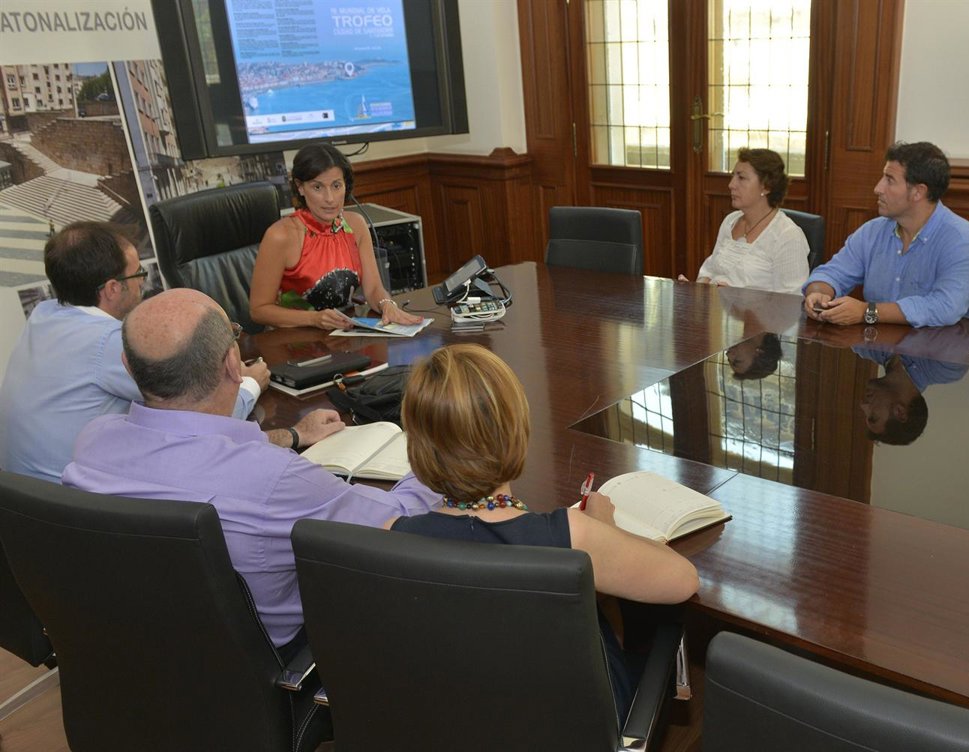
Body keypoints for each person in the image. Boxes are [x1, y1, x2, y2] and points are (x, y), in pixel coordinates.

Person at [62, 288, 440, 652]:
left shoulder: (92, 442)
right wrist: (437, 445)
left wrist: (292, 436)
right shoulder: (274, 479)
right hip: (282, 661)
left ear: (128, 367)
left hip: (142, 651)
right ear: (233, 364)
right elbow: (404, 522)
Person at [387, 343, 699, 720]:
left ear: (417, 446)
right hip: (574, 722)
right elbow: (683, 581)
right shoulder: (571, 536)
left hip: (458, 717)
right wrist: (603, 526)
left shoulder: (392, 537)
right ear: (515, 431)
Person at [0, 222, 265, 483]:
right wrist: (249, 385)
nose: (142, 282)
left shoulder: (43, 314)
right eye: (138, 273)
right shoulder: (108, 342)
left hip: (24, 496)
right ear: (112, 288)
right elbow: (205, 423)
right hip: (78, 498)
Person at [803, 141, 969, 328]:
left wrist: (867, 312)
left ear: (918, 192)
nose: (878, 188)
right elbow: (832, 273)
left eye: (889, 180)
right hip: (881, 341)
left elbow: (946, 307)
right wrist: (819, 293)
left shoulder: (963, 241)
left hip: (946, 342)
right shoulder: (872, 231)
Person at [250, 143, 423, 330]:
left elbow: (373, 289)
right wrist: (314, 319)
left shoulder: (356, 225)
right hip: (295, 337)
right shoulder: (280, 235)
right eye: (317, 187)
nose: (330, 198)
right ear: (300, 187)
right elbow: (259, 310)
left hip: (345, 332)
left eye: (336, 185)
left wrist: (387, 305)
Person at [686, 147, 809, 293]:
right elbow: (710, 270)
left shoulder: (787, 236)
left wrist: (740, 302)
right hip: (715, 306)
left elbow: (792, 300)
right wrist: (696, 290)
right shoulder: (730, 221)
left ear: (766, 186)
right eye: (733, 176)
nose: (731, 185)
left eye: (741, 178)